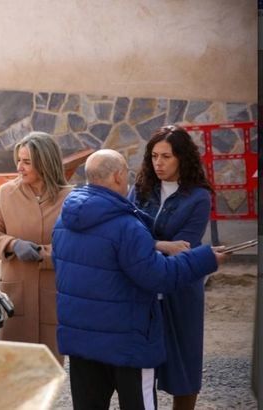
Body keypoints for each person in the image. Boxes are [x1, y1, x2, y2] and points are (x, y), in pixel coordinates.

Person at [52, 149, 227, 409]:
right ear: (118, 176)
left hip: (81, 342)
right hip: (129, 343)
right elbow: (159, 277)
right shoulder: (126, 226)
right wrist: (204, 259)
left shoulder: (63, 222)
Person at [130, 125, 214, 410]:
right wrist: (161, 245)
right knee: (138, 368)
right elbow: (127, 235)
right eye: (154, 156)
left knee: (185, 364)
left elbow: (186, 248)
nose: (158, 163)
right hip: (141, 286)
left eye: (166, 156)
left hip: (182, 288)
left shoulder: (199, 197)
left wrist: (147, 245)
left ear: (182, 158)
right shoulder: (141, 189)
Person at [0, 131, 72, 361]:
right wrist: (13, 244)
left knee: (49, 370)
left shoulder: (70, 198)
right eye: (18, 160)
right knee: (13, 368)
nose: (19, 167)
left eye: (27, 162)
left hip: (52, 295)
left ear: (45, 163)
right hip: (15, 295)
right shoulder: (7, 193)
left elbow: (75, 246)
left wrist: (43, 254)